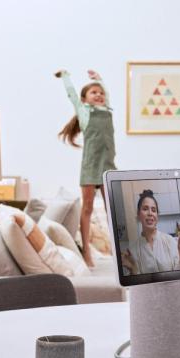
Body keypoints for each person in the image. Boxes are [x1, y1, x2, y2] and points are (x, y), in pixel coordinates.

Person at [55, 68, 118, 268]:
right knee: (88, 208)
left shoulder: (107, 111)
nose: (99, 95)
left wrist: (99, 80)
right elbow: (72, 95)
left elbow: (105, 93)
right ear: (84, 99)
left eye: (101, 93)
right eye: (94, 92)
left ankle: (118, 252)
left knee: (113, 211)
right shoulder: (84, 113)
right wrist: (65, 77)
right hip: (90, 167)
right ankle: (86, 251)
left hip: (108, 167)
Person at [121, 190, 180, 275]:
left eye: (153, 210)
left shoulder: (170, 241)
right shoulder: (133, 251)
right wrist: (133, 269)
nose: (150, 213)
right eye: (145, 209)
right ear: (138, 214)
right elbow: (138, 285)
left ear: (157, 215)